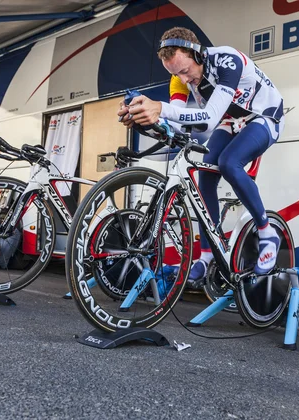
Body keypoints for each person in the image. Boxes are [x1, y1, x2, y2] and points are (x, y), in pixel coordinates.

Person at [118, 27, 285, 287]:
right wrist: (144, 119)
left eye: (185, 71)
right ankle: (207, 255)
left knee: (229, 163)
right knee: (204, 172)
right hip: (230, 120)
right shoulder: (179, 78)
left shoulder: (226, 60)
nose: (183, 80)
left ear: (199, 55)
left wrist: (159, 108)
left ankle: (267, 232)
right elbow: (176, 125)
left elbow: (207, 120)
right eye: (175, 74)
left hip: (264, 116)